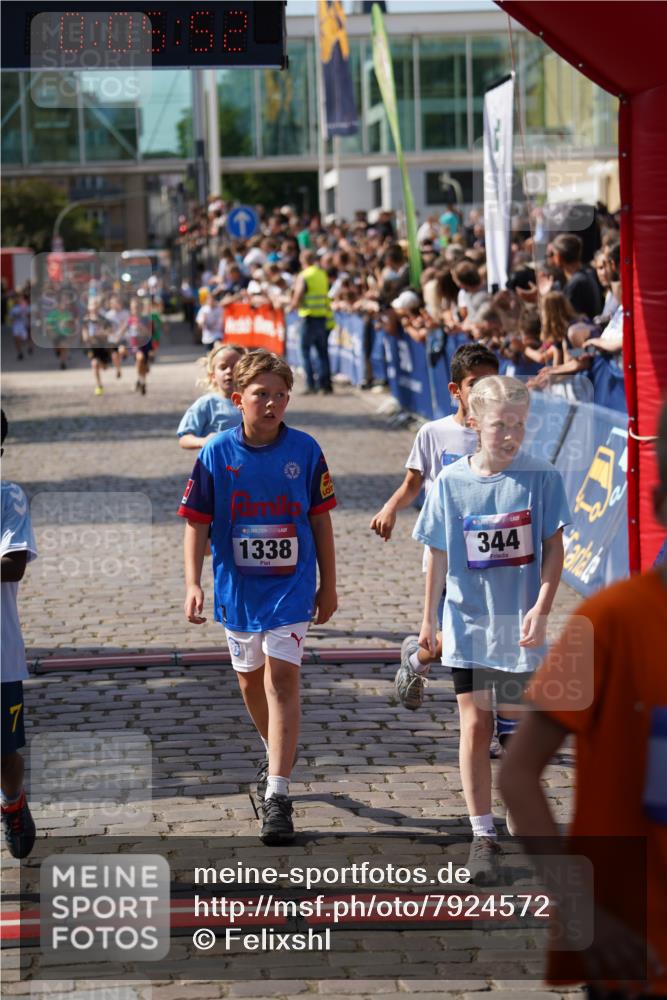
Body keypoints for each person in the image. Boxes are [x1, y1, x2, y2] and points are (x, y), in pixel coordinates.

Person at [500, 399, 667, 999]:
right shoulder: (605, 624)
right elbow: (518, 773)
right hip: (632, 952)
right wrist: (581, 910)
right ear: (658, 504)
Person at [178, 350, 338, 845]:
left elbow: (320, 520)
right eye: (261, 394)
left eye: (280, 395)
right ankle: (277, 752)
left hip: (291, 587)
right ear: (237, 399)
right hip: (238, 588)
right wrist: (193, 582)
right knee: (250, 682)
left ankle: (278, 793)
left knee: (282, 681)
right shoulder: (216, 453)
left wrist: (329, 584)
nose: (271, 404)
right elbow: (196, 523)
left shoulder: (306, 450)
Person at [414, 376, 570, 880]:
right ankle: (482, 834)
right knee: (476, 725)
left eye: (519, 425)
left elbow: (553, 548)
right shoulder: (451, 482)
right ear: (474, 422)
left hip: (519, 624)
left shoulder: (541, 477)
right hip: (468, 622)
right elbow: (437, 554)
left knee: (518, 732)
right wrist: (429, 617)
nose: (510, 435)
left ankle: (518, 807)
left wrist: (542, 606)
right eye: (500, 424)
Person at [370, 344, 500, 708]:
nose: (484, 391)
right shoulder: (434, 433)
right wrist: (391, 508)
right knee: (459, 639)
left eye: (492, 382)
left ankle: (419, 659)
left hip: (491, 554)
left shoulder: (505, 436)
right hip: (446, 556)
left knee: (483, 638)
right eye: (475, 383)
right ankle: (417, 661)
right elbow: (413, 483)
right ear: (455, 390)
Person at [1, 410, 38, 859]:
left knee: (4, 753)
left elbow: (13, 566)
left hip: (1, 656)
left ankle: (12, 803)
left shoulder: (8, 497)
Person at [177, 342, 245, 449]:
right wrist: (203, 441)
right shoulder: (206, 404)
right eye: (223, 367)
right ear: (213, 376)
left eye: (235, 367)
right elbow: (184, 439)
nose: (229, 371)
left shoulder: (252, 402)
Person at [290, 249, 334, 395]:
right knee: (322, 352)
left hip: (308, 317)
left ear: (302, 260)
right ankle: (325, 385)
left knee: (305, 352)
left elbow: (298, 295)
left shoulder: (304, 275)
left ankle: (311, 385)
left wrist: (292, 306)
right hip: (322, 317)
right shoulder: (322, 273)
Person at [551, 233, 602, 320]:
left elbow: (568, 317)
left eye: (553, 254)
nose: (552, 258)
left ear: (558, 257)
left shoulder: (576, 283)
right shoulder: (589, 273)